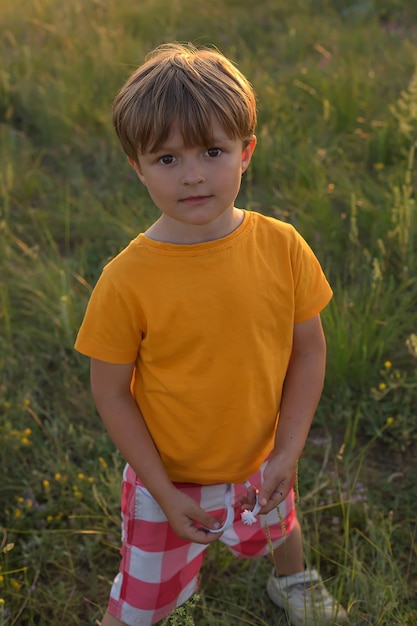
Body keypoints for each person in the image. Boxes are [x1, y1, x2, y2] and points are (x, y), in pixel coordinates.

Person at [75, 43, 347, 626]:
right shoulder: (126, 280)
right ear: (137, 168)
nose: (193, 174)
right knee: (137, 609)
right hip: (167, 477)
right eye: (167, 159)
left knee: (279, 523)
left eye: (212, 151)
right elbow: (111, 392)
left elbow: (309, 350)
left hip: (261, 458)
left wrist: (287, 449)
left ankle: (292, 580)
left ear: (246, 152)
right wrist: (164, 493)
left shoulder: (283, 247)